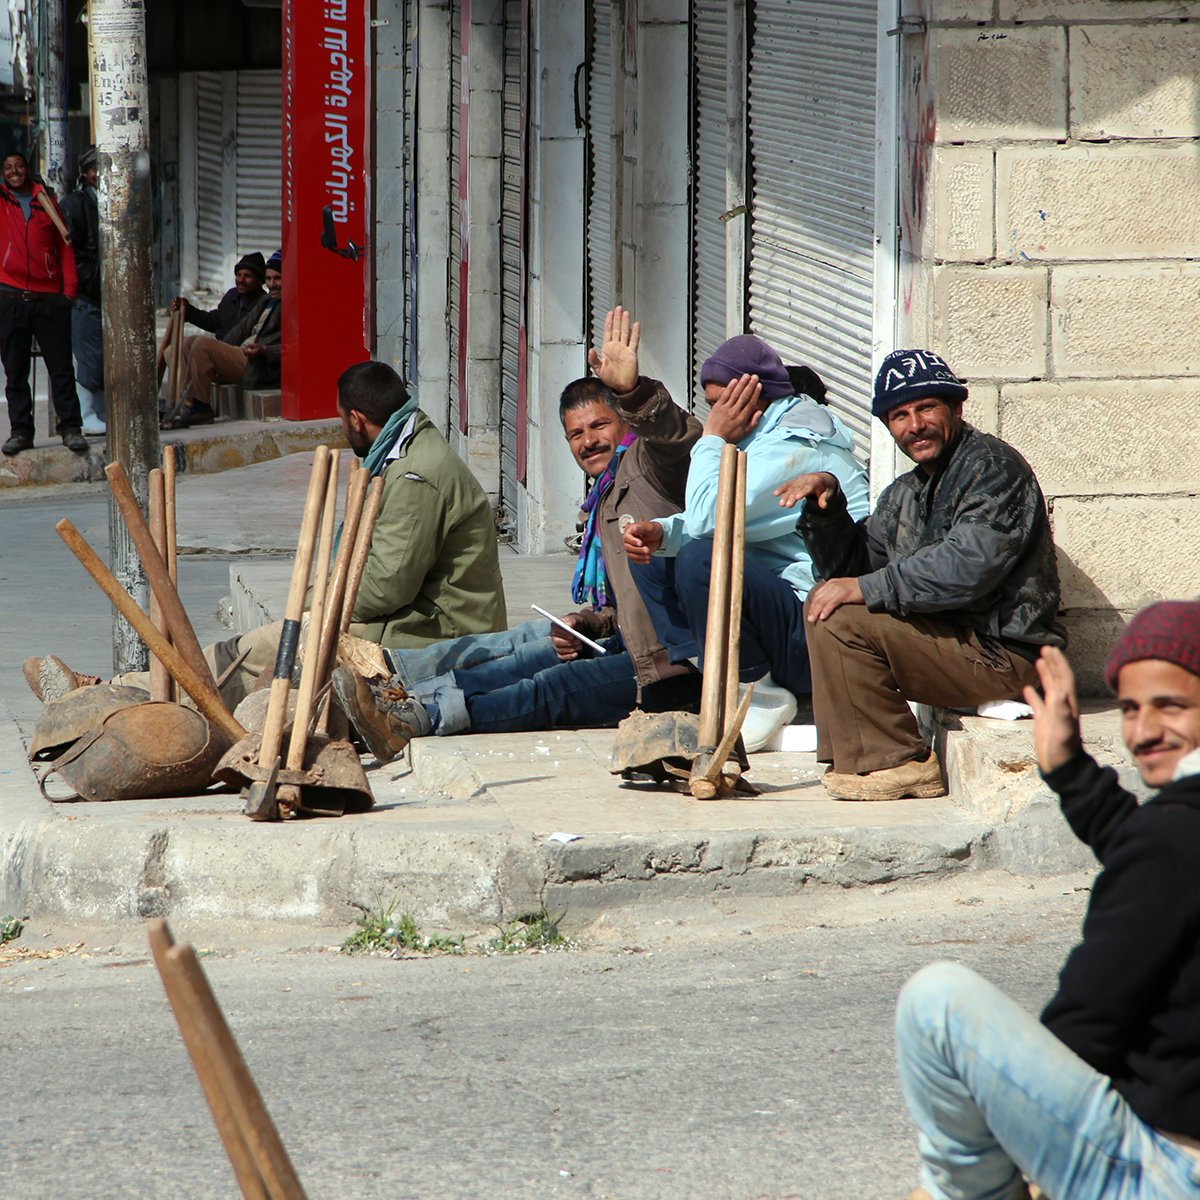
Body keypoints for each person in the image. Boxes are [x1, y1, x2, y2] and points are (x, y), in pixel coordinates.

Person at [895, 599, 1200, 1200]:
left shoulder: (1169, 843)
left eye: (1172, 706)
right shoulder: (1172, 840)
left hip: (1167, 1172)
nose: (1141, 730)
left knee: (936, 1004)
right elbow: (1158, 860)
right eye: (1132, 708)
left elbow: (1087, 1022)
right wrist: (1069, 768)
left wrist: (1025, 1133)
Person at [330, 306, 705, 762]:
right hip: (631, 643)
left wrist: (634, 390)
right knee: (530, 650)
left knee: (548, 687)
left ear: (624, 422)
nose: (589, 441)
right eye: (575, 434)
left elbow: (680, 440)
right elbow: (635, 604)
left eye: (600, 425)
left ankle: (419, 720)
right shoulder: (607, 491)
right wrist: (591, 622)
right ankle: (400, 701)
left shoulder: (651, 467)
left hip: (672, 670)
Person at [24, 360, 508, 710]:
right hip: (413, 619)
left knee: (271, 644)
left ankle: (116, 693)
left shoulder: (415, 473)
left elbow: (385, 585)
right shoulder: (408, 453)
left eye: (343, 422)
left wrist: (313, 603)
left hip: (435, 634)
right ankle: (128, 690)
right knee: (257, 648)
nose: (344, 432)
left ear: (358, 419)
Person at [776, 348, 1065, 801]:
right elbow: (851, 569)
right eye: (899, 415)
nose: (914, 426)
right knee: (825, 599)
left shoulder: (991, 467)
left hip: (1007, 655)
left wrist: (864, 588)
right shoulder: (905, 493)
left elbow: (968, 567)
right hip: (957, 645)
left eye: (926, 407)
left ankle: (897, 762)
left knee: (841, 616)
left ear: (956, 407)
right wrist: (825, 507)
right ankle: (862, 759)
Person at [622, 334, 870, 750]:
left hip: (819, 634)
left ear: (757, 395)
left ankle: (760, 697)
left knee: (700, 557)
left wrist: (711, 437)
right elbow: (715, 516)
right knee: (651, 553)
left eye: (724, 400)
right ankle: (713, 680)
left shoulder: (798, 447)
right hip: (784, 619)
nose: (716, 413)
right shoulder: (760, 439)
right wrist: (662, 533)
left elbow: (707, 521)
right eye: (712, 403)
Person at [0, 150, 87, 456]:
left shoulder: (45, 202)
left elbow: (64, 248)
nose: (14, 171)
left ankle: (71, 428)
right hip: (9, 298)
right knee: (15, 370)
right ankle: (21, 432)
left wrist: (69, 292)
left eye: (19, 166)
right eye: (8, 167)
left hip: (49, 299)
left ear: (27, 169)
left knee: (61, 368)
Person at [162, 249, 283, 428]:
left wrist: (265, 350)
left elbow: (297, 348)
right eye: (269, 279)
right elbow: (239, 330)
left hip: (257, 365)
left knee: (202, 345)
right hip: (241, 354)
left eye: (278, 279)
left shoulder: (289, 305)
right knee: (191, 343)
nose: (272, 284)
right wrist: (218, 354)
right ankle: (188, 406)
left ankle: (202, 408)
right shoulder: (264, 302)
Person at [60, 145, 105, 435]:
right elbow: (70, 251)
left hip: (107, 293)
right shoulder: (76, 204)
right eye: (96, 168)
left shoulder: (114, 199)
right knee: (89, 355)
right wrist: (89, 281)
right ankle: (86, 414)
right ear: (87, 173)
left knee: (103, 356)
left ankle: (99, 412)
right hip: (87, 294)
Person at [172, 251, 266, 339]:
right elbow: (214, 321)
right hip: (222, 349)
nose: (241, 280)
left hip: (241, 352)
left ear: (259, 281)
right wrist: (188, 310)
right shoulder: (232, 296)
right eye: (238, 275)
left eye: (247, 276)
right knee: (186, 344)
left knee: (199, 345)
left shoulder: (264, 304)